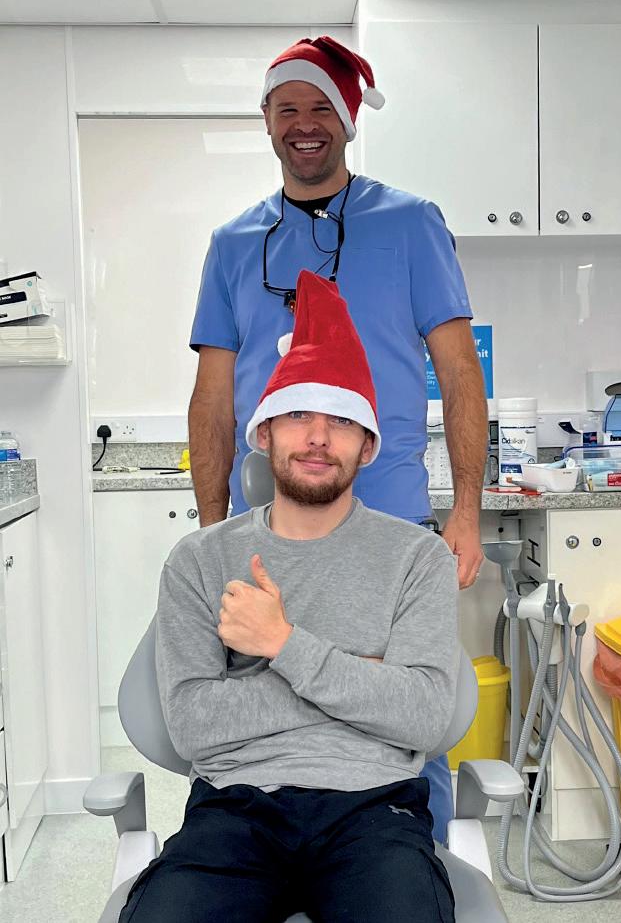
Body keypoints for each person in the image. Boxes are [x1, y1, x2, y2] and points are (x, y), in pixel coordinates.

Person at [188, 35, 487, 843]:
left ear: (348, 121)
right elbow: (212, 398)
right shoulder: (232, 243)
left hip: (390, 521)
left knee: (403, 719)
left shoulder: (411, 223)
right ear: (266, 121)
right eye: (287, 107)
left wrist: (465, 511)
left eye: (321, 106)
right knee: (263, 715)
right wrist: (211, 529)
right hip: (266, 528)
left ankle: (410, 862)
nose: (304, 124)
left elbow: (459, 373)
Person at [120, 271, 458, 923]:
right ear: (265, 433)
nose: (318, 437)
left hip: (375, 809)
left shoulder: (418, 558)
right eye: (299, 415)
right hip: (234, 809)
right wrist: (359, 681)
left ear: (366, 445)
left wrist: (281, 645)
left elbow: (422, 717)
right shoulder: (199, 560)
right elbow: (193, 726)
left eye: (341, 421)